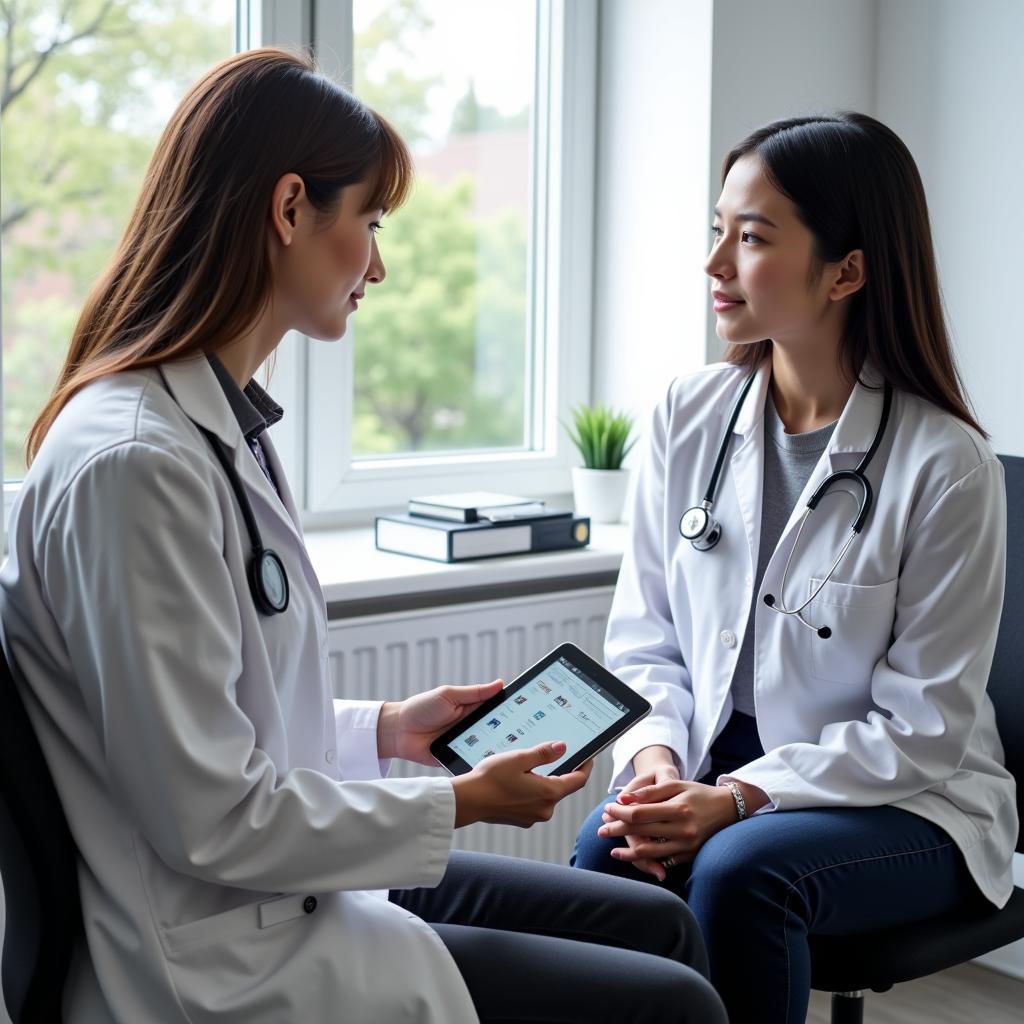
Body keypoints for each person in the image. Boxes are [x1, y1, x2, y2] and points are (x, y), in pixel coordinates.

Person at [0, 49, 727, 1024]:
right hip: (213, 958)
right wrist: (461, 802)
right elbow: (211, 818)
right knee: (672, 1003)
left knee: (660, 929)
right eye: (369, 224)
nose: (377, 265)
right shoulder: (135, 463)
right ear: (290, 208)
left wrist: (385, 730)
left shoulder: (219, 426)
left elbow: (220, 723)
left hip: (277, 892)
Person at [571, 112, 1017, 1024]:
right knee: (605, 852)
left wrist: (737, 799)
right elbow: (644, 637)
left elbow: (923, 728)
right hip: (714, 761)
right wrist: (655, 760)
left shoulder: (945, 465)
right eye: (717, 231)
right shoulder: (688, 414)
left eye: (753, 237)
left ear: (846, 271)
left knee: (742, 875)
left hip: (911, 799)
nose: (715, 264)